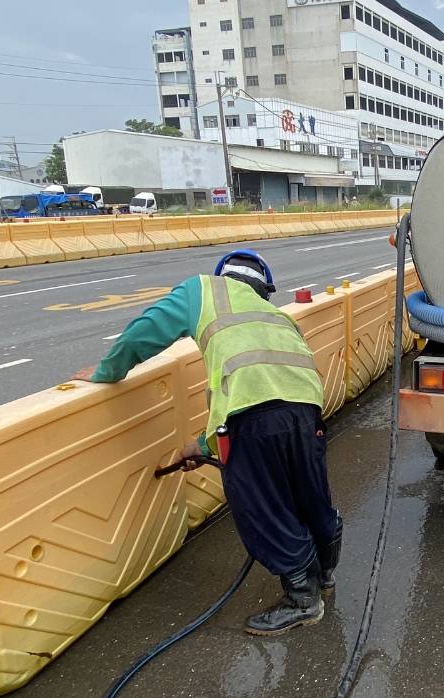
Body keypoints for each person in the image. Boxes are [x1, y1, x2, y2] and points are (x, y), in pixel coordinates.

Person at [71, 250, 341, 636]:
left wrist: (106, 372)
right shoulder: (278, 316)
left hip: (252, 418)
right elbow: (271, 389)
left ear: (223, 276)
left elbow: (144, 333)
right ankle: (325, 576)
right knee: (310, 496)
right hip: (307, 411)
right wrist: (202, 446)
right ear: (263, 288)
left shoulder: (202, 290)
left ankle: (303, 599)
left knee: (262, 506)